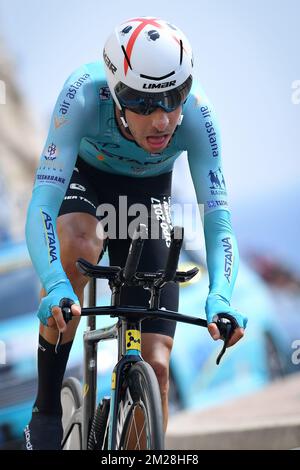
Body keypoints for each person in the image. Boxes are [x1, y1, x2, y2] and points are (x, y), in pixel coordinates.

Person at [24, 17, 247, 450]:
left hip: (145, 198)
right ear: (116, 93)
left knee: (157, 366)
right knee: (80, 244)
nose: (162, 120)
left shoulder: (198, 116)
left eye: (173, 99)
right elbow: (42, 207)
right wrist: (54, 284)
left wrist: (220, 295)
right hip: (85, 182)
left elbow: (218, 221)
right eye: (145, 105)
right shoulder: (82, 95)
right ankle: (46, 409)